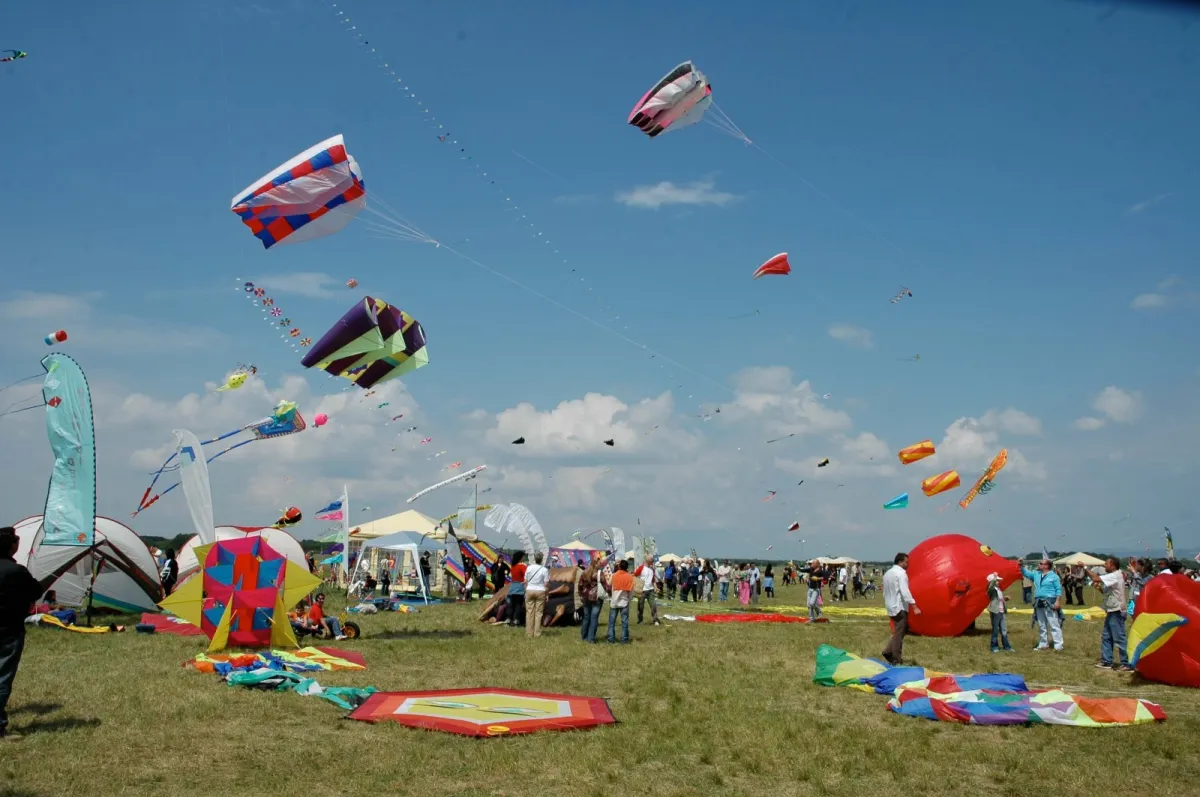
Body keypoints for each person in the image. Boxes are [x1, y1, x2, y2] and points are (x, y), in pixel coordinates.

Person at [0, 527, 43, 740]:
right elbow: (36, 591)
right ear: (12, 546)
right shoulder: (16, 571)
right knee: (2, 677)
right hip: (8, 631)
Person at [1087, 557, 1133, 671]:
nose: (1104, 566)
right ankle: (1107, 661)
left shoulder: (1114, 575)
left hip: (1117, 611)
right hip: (1112, 610)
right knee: (1107, 637)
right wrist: (1099, 590)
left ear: (1113, 566)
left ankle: (1127, 663)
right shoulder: (1114, 576)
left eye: (1106, 564)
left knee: (1119, 637)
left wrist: (1084, 567)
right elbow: (1109, 593)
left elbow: (1095, 577)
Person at [882, 552, 920, 665]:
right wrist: (914, 606)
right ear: (900, 562)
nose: (907, 565)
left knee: (899, 632)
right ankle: (896, 658)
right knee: (899, 634)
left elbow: (885, 591)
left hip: (890, 606)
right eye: (906, 562)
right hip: (899, 607)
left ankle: (888, 651)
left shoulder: (887, 573)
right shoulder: (901, 574)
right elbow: (905, 591)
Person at [1021, 558, 1064, 652]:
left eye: (1041, 563)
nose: (1039, 564)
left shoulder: (1054, 576)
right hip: (1038, 601)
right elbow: (1026, 573)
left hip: (1050, 601)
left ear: (1046, 566)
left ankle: (1058, 645)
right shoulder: (1036, 574)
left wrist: (1057, 601)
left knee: (1053, 624)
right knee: (1041, 624)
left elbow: (1058, 590)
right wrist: (1021, 565)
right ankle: (1043, 644)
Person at [606, 560, 635, 644]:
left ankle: (611, 639)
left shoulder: (614, 575)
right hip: (624, 602)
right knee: (624, 622)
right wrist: (629, 599)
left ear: (619, 567)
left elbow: (608, 583)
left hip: (614, 601)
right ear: (627, 567)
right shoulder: (629, 577)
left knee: (612, 622)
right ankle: (624, 639)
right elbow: (631, 591)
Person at [986, 572, 1013, 653]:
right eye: (997, 580)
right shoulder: (991, 589)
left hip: (1002, 611)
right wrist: (994, 577)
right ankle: (994, 647)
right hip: (995, 611)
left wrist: (1005, 599)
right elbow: (990, 588)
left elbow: (999, 599)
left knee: (1004, 629)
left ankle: (1007, 646)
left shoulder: (998, 589)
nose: (998, 582)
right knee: (995, 630)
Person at [523, 552, 549, 638]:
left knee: (529, 612)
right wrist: (547, 594)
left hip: (529, 590)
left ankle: (529, 633)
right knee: (539, 613)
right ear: (542, 559)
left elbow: (525, 581)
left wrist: (526, 590)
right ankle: (537, 633)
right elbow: (546, 584)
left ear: (534, 558)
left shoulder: (529, 568)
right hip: (540, 591)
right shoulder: (544, 570)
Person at [578, 559, 603, 643]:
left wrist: (580, 595)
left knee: (586, 617)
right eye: (600, 563)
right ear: (595, 564)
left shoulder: (584, 572)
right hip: (596, 599)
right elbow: (606, 585)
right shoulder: (599, 574)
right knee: (594, 618)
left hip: (585, 598)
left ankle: (583, 637)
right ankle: (591, 639)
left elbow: (580, 585)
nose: (601, 564)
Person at [633, 555, 660, 626]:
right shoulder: (641, 568)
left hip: (650, 590)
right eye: (652, 560)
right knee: (640, 606)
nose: (653, 561)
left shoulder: (652, 569)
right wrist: (636, 585)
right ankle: (640, 620)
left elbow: (653, 580)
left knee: (653, 605)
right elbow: (634, 575)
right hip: (642, 590)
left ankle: (655, 620)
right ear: (647, 560)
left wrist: (655, 587)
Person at [506, 551, 526, 628]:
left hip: (512, 587)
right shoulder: (522, 566)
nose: (524, 558)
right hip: (520, 587)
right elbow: (526, 575)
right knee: (518, 605)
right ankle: (516, 621)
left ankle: (508, 619)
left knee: (511, 605)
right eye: (523, 556)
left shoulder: (513, 567)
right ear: (520, 557)